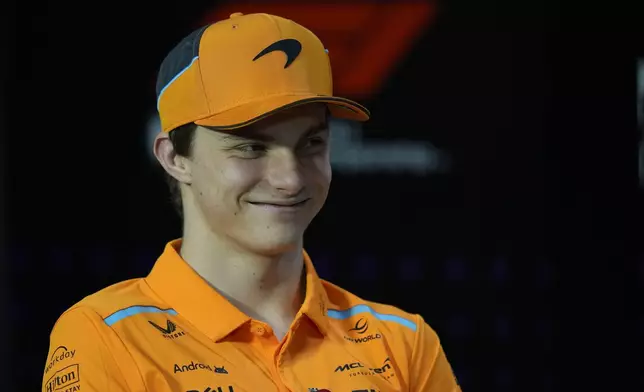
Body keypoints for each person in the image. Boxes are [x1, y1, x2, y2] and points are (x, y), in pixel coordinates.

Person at [42, 12, 461, 392]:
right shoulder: (105, 338)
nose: (290, 177)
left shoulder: (403, 342)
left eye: (310, 143)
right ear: (174, 157)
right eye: (250, 147)